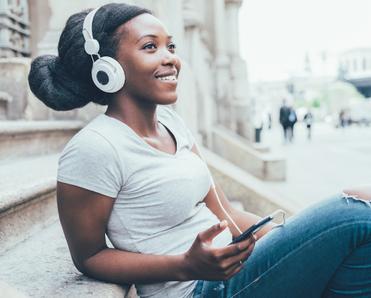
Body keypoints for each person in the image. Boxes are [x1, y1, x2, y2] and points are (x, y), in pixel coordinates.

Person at [28, 3, 371, 297]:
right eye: (151, 47)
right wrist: (184, 264)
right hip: (197, 288)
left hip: (241, 269)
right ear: (108, 69)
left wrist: (301, 238)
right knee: (356, 210)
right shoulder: (94, 148)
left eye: (171, 47)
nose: (170, 60)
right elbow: (89, 257)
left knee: (355, 243)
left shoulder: (173, 125)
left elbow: (228, 215)